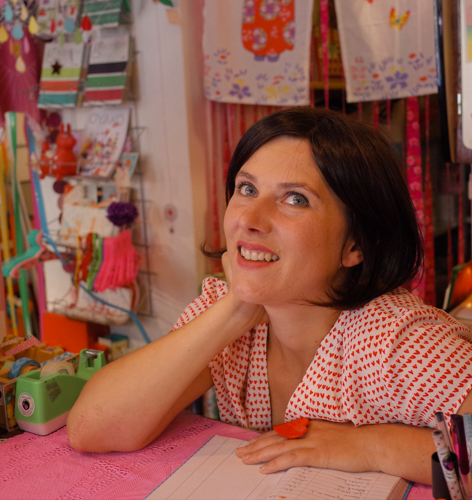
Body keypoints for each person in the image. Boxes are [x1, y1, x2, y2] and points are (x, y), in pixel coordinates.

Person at [67, 107, 472, 485]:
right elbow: (92, 429)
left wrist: (374, 445)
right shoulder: (229, 314)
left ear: (356, 244)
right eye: (246, 188)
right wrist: (234, 310)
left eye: (295, 199)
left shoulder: (393, 342)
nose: (248, 218)